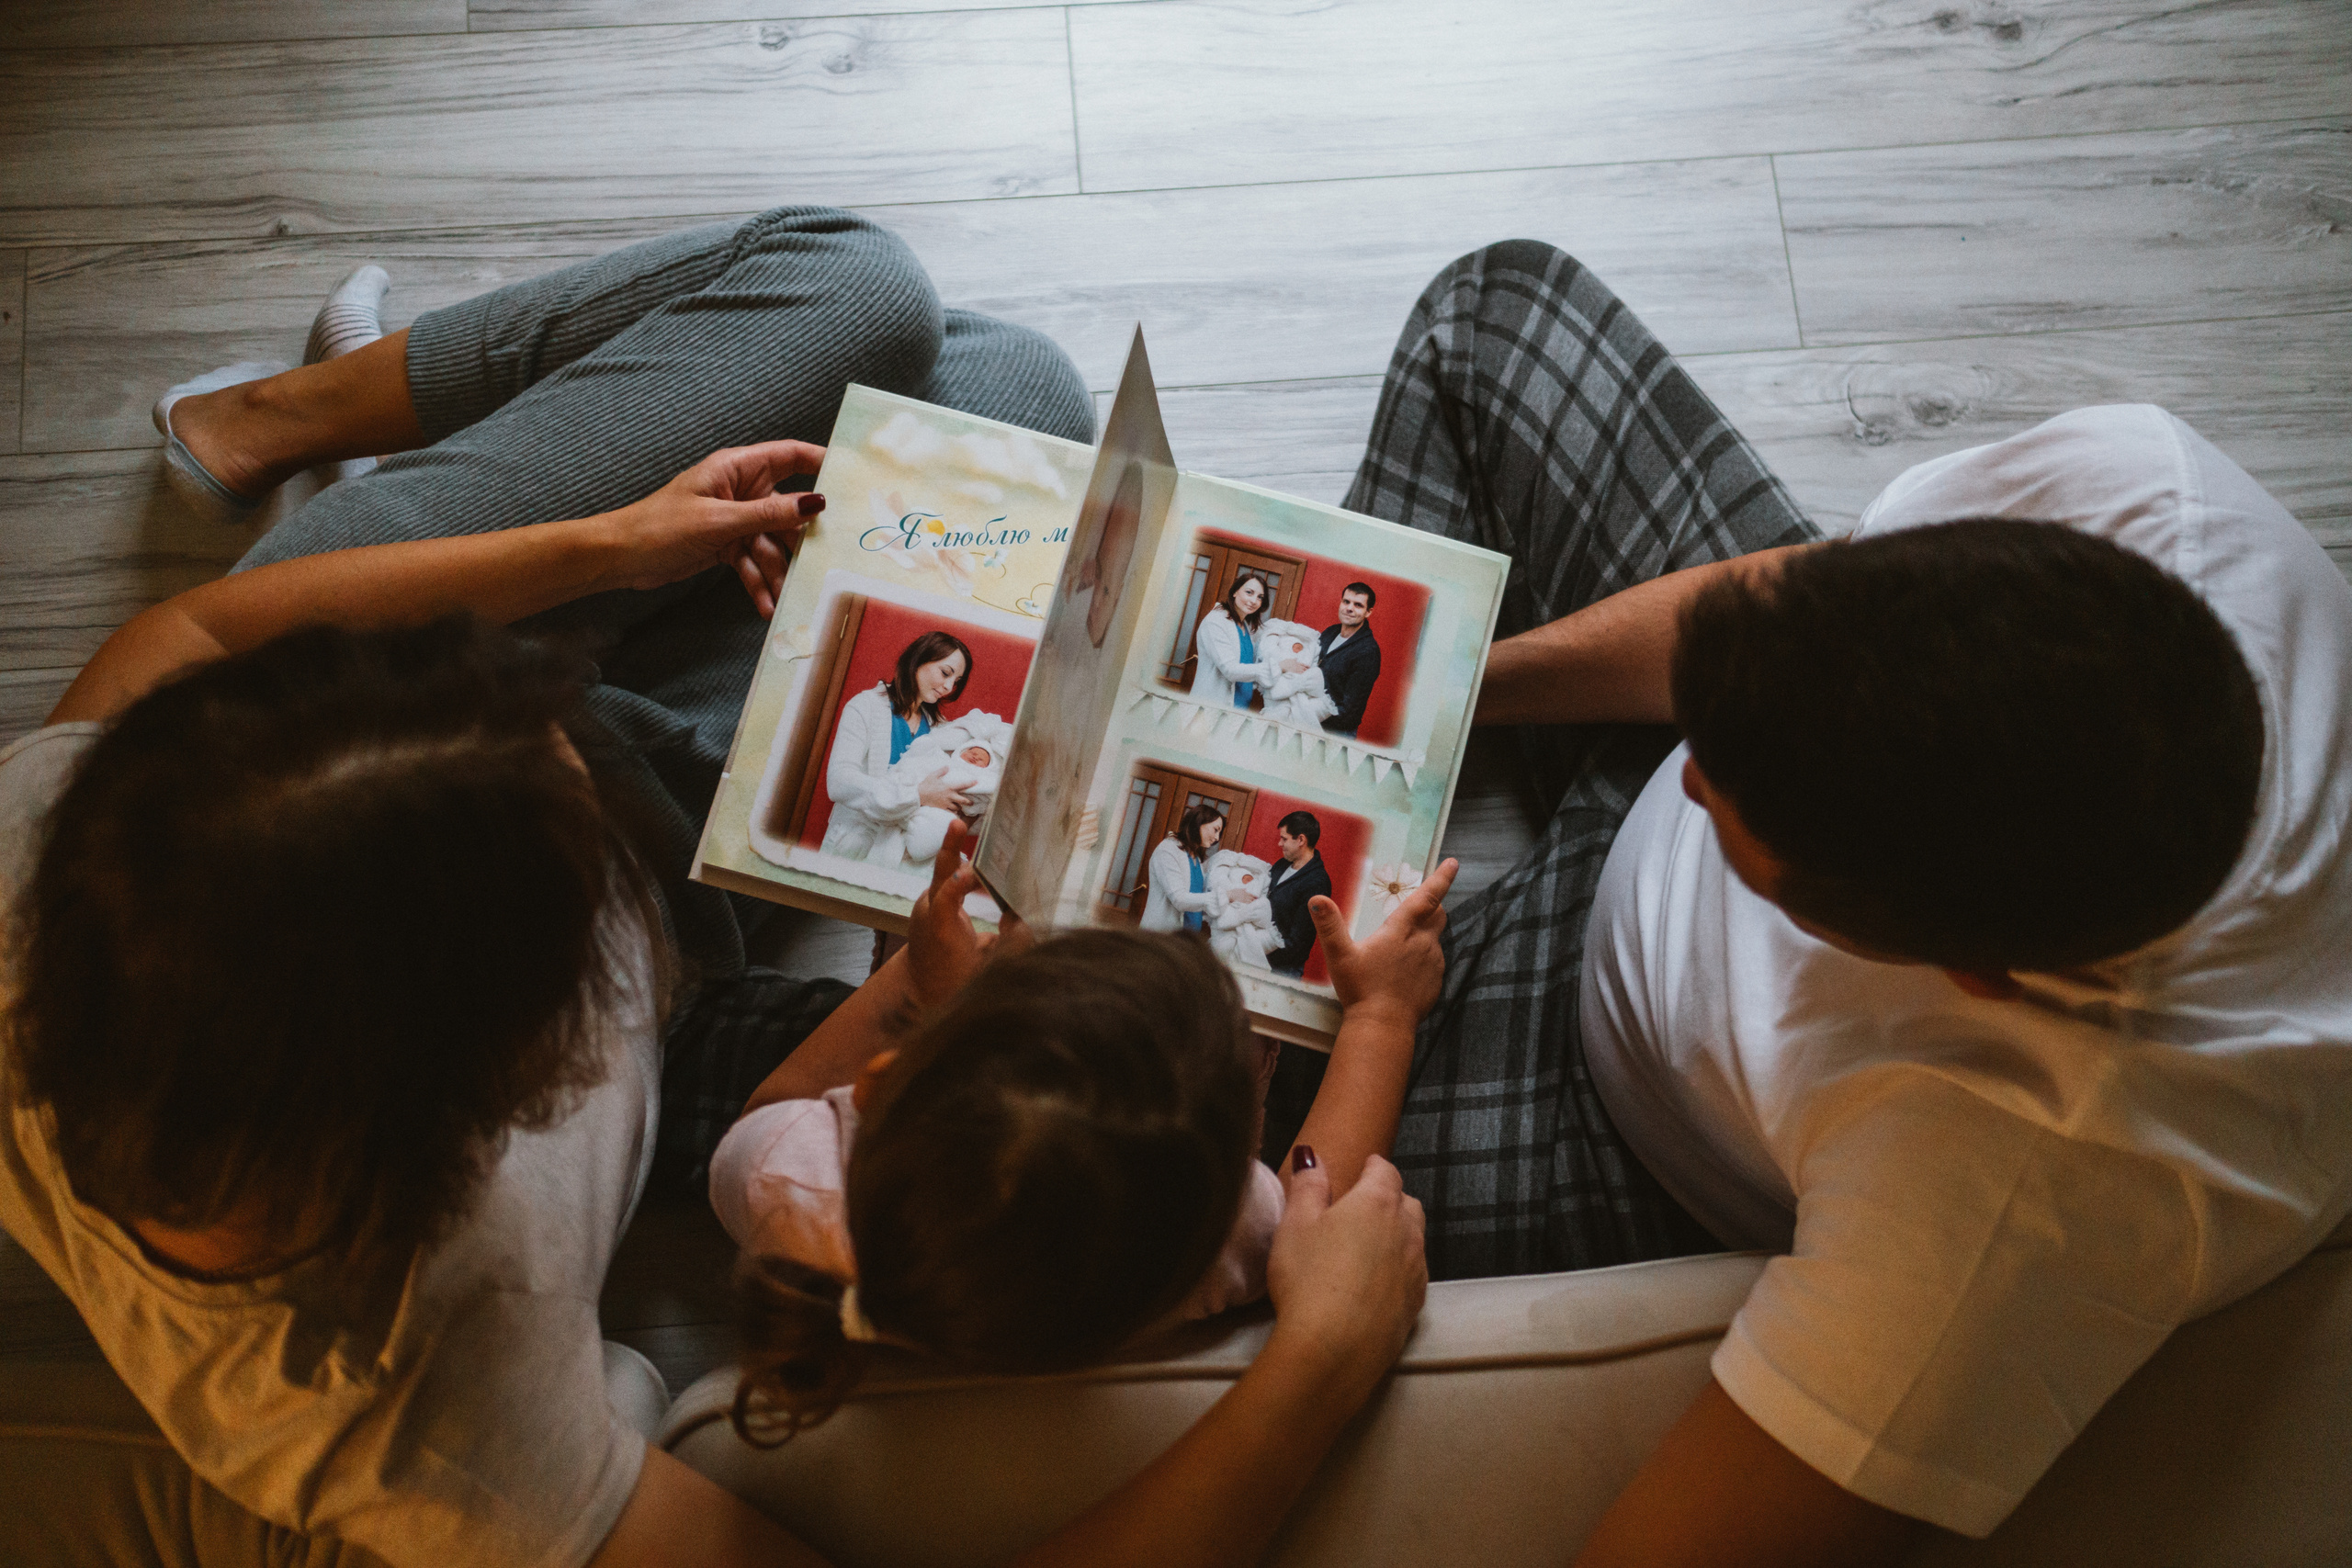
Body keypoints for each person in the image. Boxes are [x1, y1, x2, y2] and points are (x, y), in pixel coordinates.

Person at [0, 208, 1431, 1568]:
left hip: (475, 659)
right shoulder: (439, 1421)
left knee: (924, 334)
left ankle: (276, 424)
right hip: (650, 784)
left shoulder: (52, 844)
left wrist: (608, 540)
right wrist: (1315, 1364)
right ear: (527, 1072)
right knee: (1007, 407)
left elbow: (188, 632)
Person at [1345, 239, 2351, 1564]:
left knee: (1144, 1113)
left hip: (1610, 1115)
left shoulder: (2011, 1199)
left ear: (1970, 973)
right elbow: (1772, 603)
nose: (1688, 774)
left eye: (1735, 817)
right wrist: (1444, 695)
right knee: (1494, 312)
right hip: (1816, 718)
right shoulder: (2148, 500)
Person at [711, 822, 1460, 1439]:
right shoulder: (1211, 1232)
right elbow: (1319, 1213)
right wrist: (1381, 1018)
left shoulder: (783, 1179)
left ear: (878, 1082)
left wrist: (919, 978)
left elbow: (769, 1111)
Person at [819, 630, 978, 870]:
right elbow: (839, 782)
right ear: (918, 659)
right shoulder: (865, 706)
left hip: (907, 859)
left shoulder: (942, 730)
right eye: (945, 673)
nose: (948, 687)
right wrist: (917, 794)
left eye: (956, 682)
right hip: (854, 847)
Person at [1263, 812, 1332, 978]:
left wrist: (1259, 950)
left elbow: (1298, 944)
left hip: (1282, 970)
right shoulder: (1282, 864)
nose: (1280, 843)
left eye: (1284, 839)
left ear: (1301, 840)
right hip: (1260, 958)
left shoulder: (1317, 883)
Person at [1139, 801, 1226, 933]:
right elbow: (1179, 899)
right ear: (1199, 822)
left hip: (1186, 940)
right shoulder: (1168, 850)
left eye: (1219, 833)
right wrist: (1226, 896)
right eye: (1216, 830)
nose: (1217, 838)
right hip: (1161, 937)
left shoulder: (1196, 858)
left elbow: (1198, 900)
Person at [1189, 571, 1272, 708]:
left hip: (1239, 707)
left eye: (1260, 597)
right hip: (1212, 706)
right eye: (1249, 592)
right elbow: (1230, 670)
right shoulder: (1216, 621)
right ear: (1235, 592)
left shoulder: (1244, 625)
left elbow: (1247, 666)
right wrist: (1277, 667)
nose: (1254, 601)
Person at [1316, 582, 1382, 739]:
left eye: (1358, 605)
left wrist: (1311, 715)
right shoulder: (1330, 632)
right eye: (1346, 602)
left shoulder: (1368, 651)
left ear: (1368, 612)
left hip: (1334, 734)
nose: (1349, 608)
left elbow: (1349, 712)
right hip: (1309, 721)